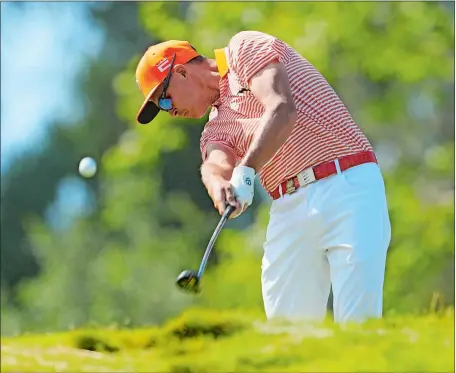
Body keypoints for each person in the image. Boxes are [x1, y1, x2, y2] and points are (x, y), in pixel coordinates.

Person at [134, 31, 391, 324]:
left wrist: (245, 169)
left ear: (180, 72)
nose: (169, 112)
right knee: (287, 334)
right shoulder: (215, 127)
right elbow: (216, 163)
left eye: (164, 101)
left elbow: (282, 108)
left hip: (347, 183)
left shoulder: (243, 49)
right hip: (289, 207)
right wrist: (218, 184)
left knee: (358, 323)